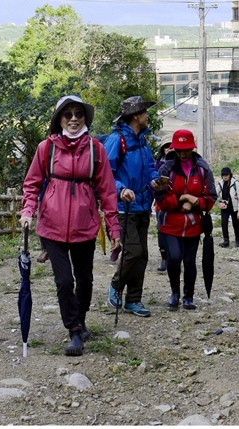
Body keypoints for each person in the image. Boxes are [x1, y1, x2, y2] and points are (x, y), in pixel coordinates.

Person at [20, 95, 121, 357]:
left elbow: (108, 192)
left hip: (85, 224)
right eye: (68, 115)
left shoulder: (96, 149)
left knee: (85, 280)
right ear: (59, 120)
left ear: (85, 118)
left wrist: (114, 231)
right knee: (64, 281)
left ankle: (81, 317)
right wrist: (27, 211)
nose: (74, 119)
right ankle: (74, 330)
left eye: (78, 113)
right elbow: (31, 184)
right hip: (52, 226)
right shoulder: (47, 148)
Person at [106, 96, 163, 318]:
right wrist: (121, 189)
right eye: (145, 113)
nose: (148, 116)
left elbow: (150, 168)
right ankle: (116, 286)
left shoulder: (142, 142)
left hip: (142, 206)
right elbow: (106, 174)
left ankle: (133, 300)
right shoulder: (116, 140)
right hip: (123, 207)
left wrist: (156, 179)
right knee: (132, 251)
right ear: (136, 116)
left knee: (142, 255)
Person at [154, 129, 216, 310]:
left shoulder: (203, 169)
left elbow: (210, 198)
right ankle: (175, 292)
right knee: (174, 258)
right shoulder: (166, 169)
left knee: (189, 261)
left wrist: (195, 202)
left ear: (192, 148)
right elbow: (160, 199)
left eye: (186, 149)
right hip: (169, 224)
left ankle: (188, 296)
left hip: (193, 226)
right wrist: (182, 198)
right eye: (178, 149)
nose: (182, 153)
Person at [153, 141, 173, 272]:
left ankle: (174, 257)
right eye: (166, 147)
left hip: (177, 203)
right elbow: (153, 183)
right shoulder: (158, 164)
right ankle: (164, 258)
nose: (168, 149)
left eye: (171, 147)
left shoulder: (184, 165)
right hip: (161, 202)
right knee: (161, 230)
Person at [216, 167, 239, 247]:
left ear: (230, 175)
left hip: (234, 207)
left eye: (227, 175)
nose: (225, 176)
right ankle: (226, 241)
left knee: (236, 224)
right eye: (223, 175)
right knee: (224, 223)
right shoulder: (220, 183)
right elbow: (215, 193)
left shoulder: (236, 184)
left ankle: (238, 240)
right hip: (225, 207)